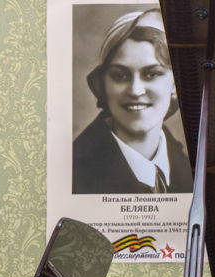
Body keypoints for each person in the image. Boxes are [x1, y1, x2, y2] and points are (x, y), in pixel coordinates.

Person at [72, 8, 193, 194]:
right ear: (103, 84)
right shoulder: (76, 171)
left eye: (151, 74)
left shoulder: (189, 165)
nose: (135, 91)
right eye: (120, 76)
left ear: (175, 84)